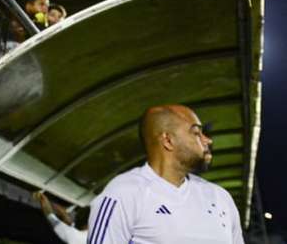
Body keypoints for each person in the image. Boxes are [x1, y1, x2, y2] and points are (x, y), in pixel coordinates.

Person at [87, 104, 244, 243]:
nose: (207, 140)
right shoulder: (123, 194)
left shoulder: (220, 197)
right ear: (168, 141)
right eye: (196, 133)